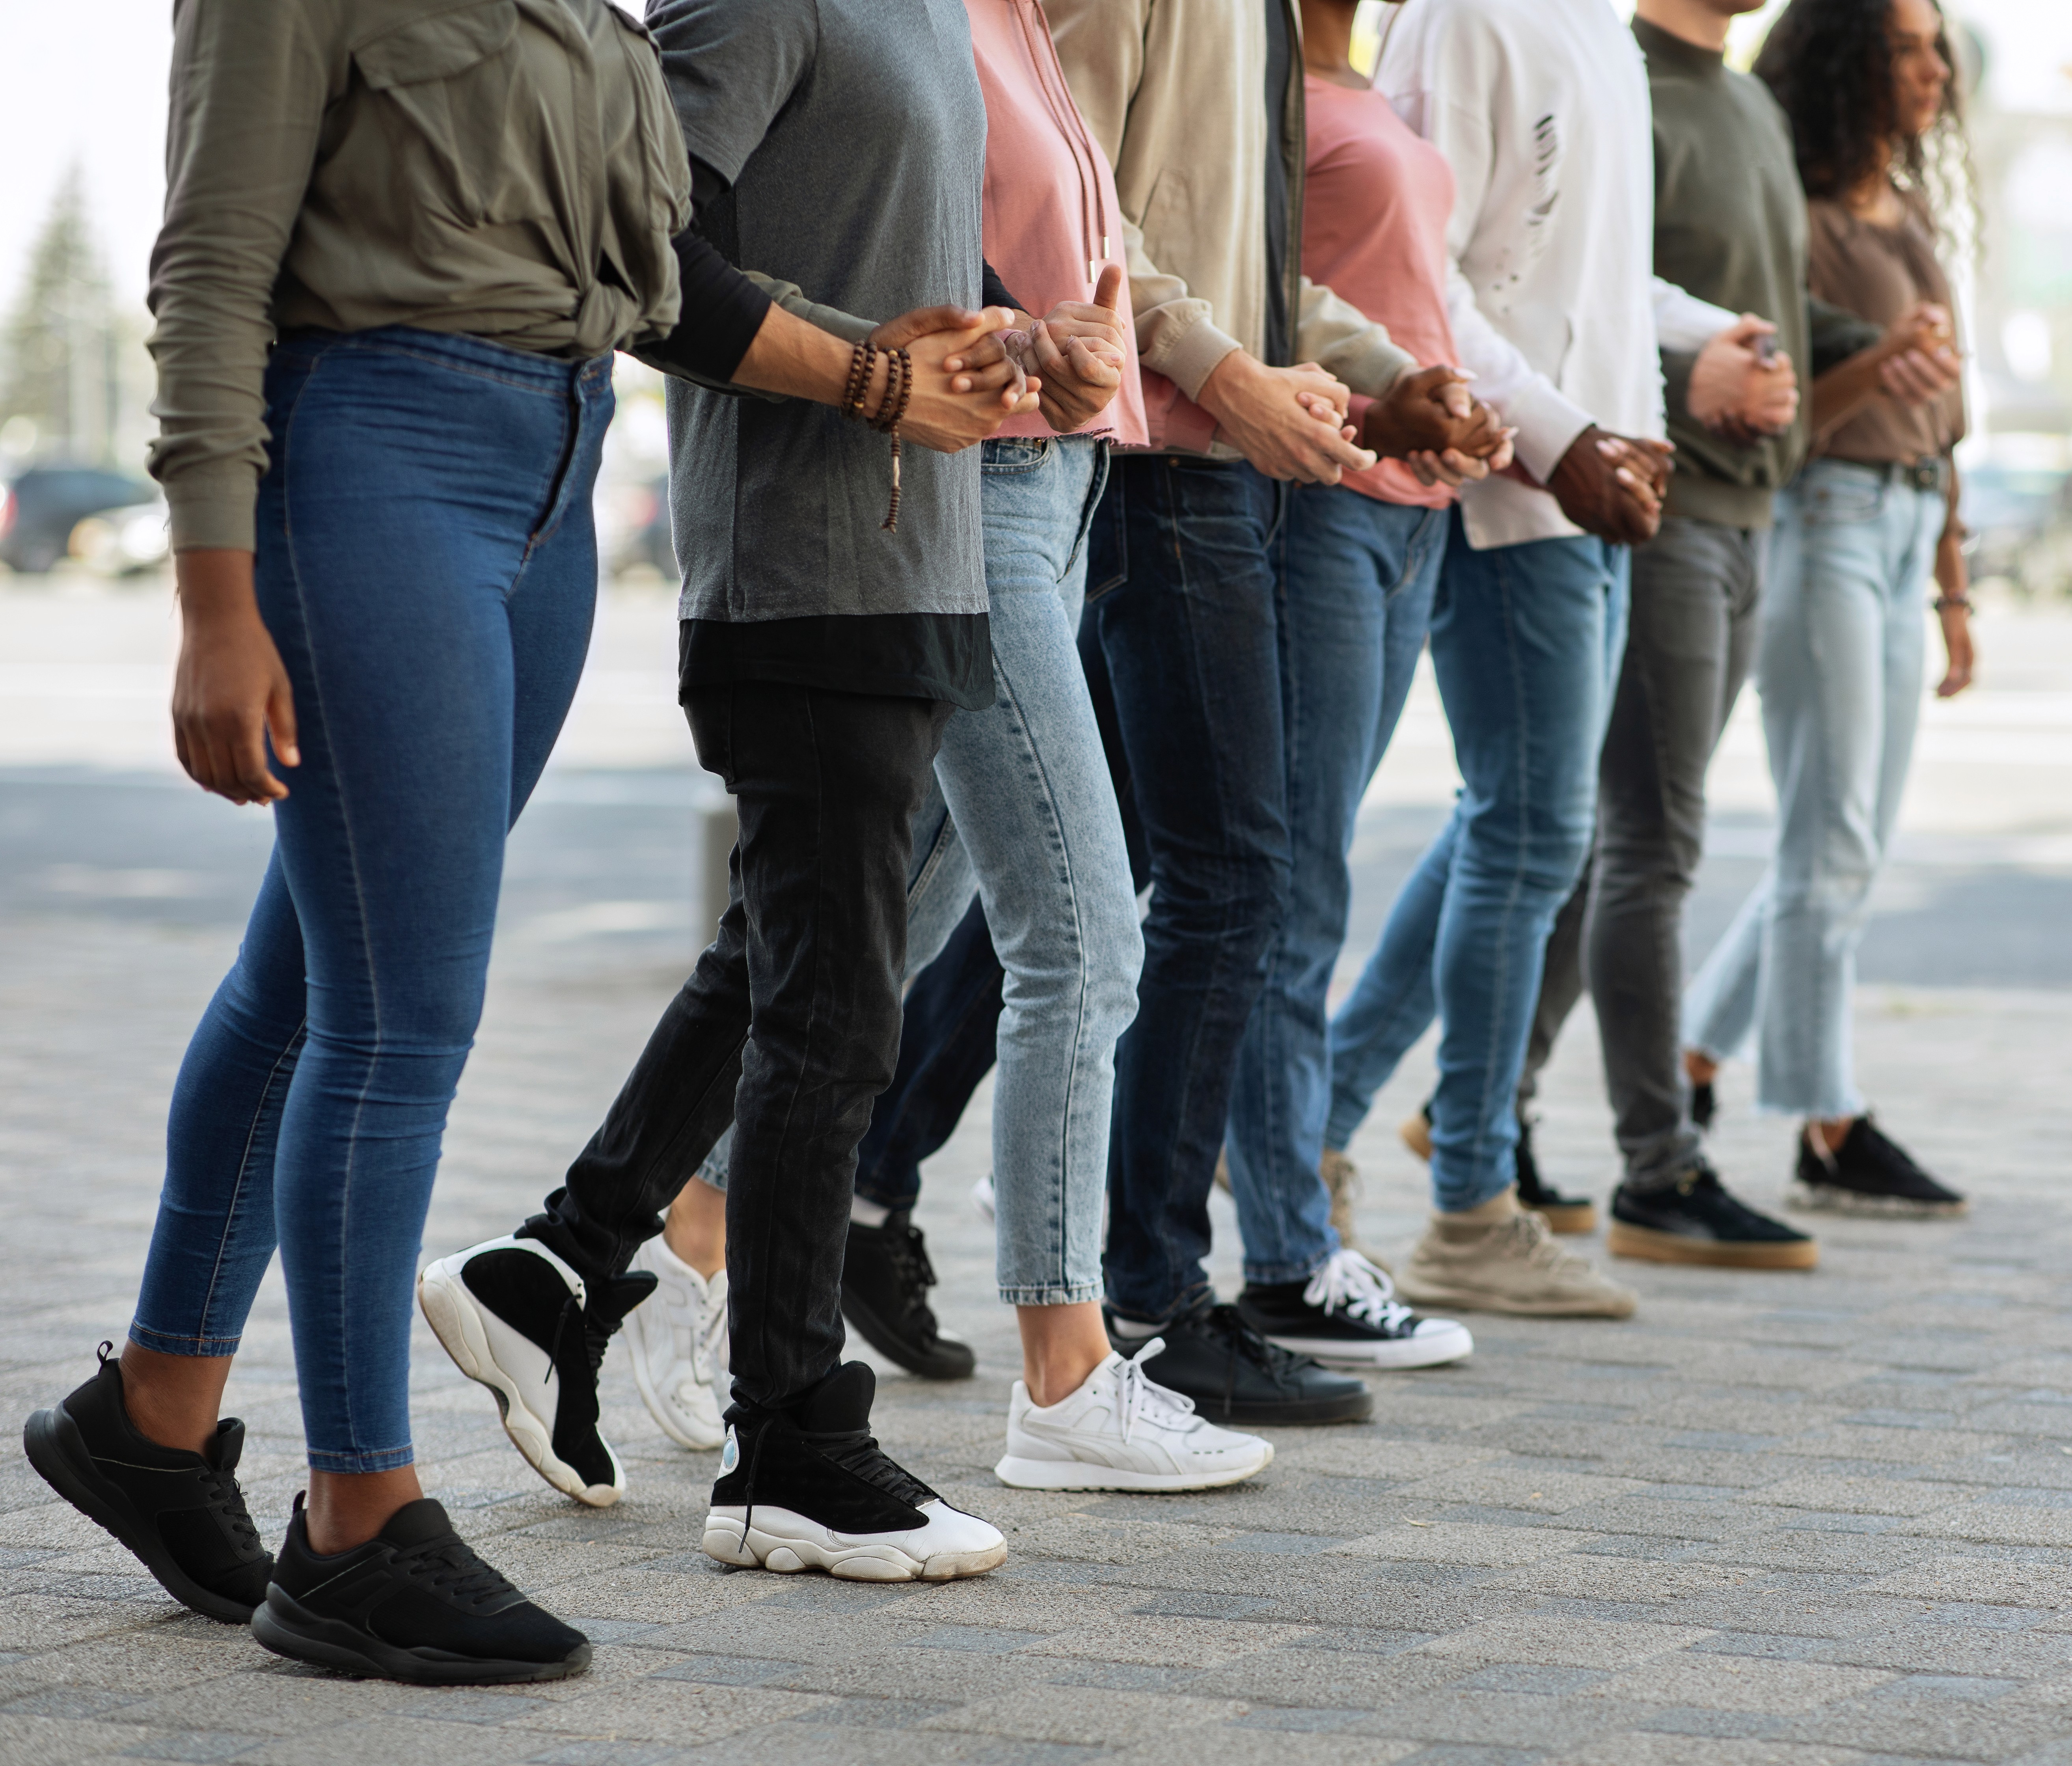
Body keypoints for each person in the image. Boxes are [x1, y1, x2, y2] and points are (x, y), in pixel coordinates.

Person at [13, 0, 1001, 1682]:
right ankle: (357, 1523)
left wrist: (879, 374)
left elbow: (657, 282)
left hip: (546, 476)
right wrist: (210, 592)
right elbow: (212, 265)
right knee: (400, 1020)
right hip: (371, 457)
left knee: (308, 970)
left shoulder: (593, 18)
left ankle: (156, 1410)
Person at [417, 0, 1045, 1587]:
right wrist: (876, 386)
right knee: (837, 1012)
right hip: (801, 577)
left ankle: (561, 1262)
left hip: (912, 562)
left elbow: (875, 267)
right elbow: (648, 265)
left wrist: (1014, 339)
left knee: (799, 957)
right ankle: (791, 1449)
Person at [649, 0, 1278, 1497]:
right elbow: (746, 241)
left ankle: (689, 1227)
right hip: (971, 500)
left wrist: (1096, 353)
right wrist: (990, 354)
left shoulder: (981, 14)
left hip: (1054, 493)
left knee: (897, 925)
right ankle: (1063, 1375)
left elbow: (1062, 251)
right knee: (1078, 937)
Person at [1021, 0, 1500, 1420]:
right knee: (1220, 876)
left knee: (1134, 881)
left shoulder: (1270, 27)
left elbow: (1255, 269)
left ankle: (911, 1219)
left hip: (1210, 453)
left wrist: (1385, 378)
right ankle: (1155, 1304)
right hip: (1163, 460)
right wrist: (1229, 378)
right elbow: (1074, 208)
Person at [1317, 0, 1762, 1319]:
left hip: (1605, 478)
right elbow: (1422, 277)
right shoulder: (1466, 15)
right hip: (1528, 489)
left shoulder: (1589, 25)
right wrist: (1561, 439)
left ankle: (1316, 1122)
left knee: (1519, 830)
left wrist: (1694, 343)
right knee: (1527, 833)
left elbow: (1592, 266)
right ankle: (1468, 1206)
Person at [1506, 0, 1963, 1270]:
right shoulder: (1622, 79)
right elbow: (1580, 289)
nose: (1932, 70)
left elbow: (1771, 322)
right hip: (1666, 504)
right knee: (1633, 843)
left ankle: (1484, 1113)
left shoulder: (1745, 104)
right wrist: (1704, 369)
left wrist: (1868, 350)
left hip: (1751, 512)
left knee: (1604, 845)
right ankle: (1655, 1165)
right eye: (1909, 47)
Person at [1218, 0, 1514, 1370]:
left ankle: (1148, 1177)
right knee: (1281, 885)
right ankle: (1283, 1249)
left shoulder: (1372, 83)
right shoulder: (1256, 73)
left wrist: (1455, 407)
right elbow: (1243, 272)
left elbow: (1416, 293)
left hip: (1412, 507)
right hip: (1320, 501)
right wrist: (1389, 399)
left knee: (1269, 879)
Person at [1678, 0, 1980, 1220]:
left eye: (1936, 46)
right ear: (1849, 62)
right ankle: (1827, 1125)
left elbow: (1945, 419)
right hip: (1826, 523)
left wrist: (1956, 581)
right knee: (1834, 839)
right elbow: (1791, 403)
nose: (1931, 68)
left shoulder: (1903, 208)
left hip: (1907, 528)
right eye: (1904, 46)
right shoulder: (1792, 219)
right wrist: (1880, 360)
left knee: (1843, 842)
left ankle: (1696, 1055)